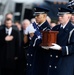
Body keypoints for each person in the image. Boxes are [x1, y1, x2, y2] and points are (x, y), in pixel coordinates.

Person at [43, 7, 74, 75]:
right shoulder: (55, 28)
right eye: (59, 15)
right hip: (53, 63)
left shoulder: (72, 30)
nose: (59, 17)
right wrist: (47, 46)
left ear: (68, 17)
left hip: (64, 64)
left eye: (62, 16)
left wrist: (61, 48)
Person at [32, 6, 51, 75]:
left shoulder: (47, 29)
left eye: (38, 15)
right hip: (34, 60)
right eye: (35, 15)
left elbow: (43, 46)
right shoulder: (36, 27)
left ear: (44, 16)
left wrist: (33, 37)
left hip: (41, 62)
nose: (35, 17)